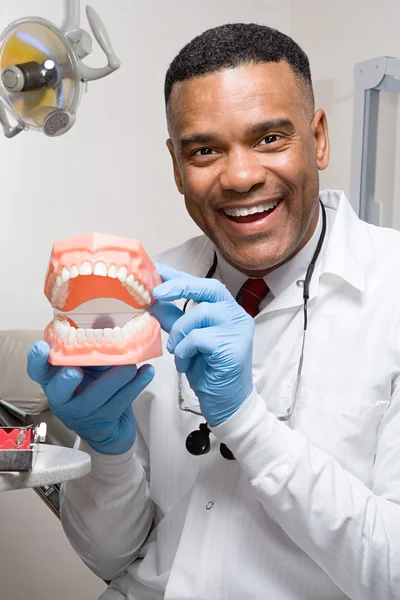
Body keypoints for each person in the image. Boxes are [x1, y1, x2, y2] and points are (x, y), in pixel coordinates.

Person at [27, 23, 400, 600]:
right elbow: (111, 557)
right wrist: (106, 451)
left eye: (271, 138)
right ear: (176, 164)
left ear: (319, 138)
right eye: (204, 150)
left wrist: (246, 423)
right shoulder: (142, 295)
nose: (242, 176)